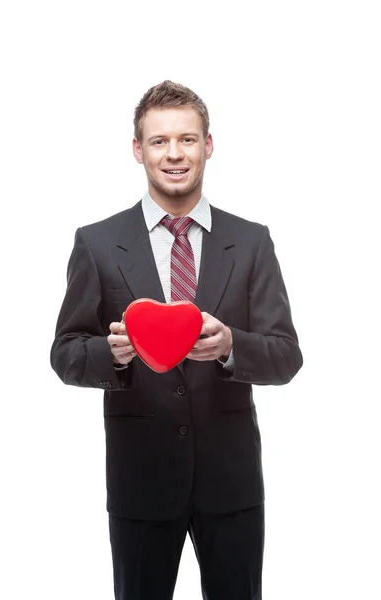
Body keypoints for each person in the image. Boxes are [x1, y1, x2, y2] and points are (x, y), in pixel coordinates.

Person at [50, 80, 303, 600]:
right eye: (160, 141)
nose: (174, 154)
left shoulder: (252, 241)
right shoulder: (96, 243)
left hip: (231, 485)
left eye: (187, 139)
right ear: (138, 150)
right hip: (140, 481)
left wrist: (232, 344)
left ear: (208, 146)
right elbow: (66, 352)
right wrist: (112, 354)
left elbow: (285, 355)